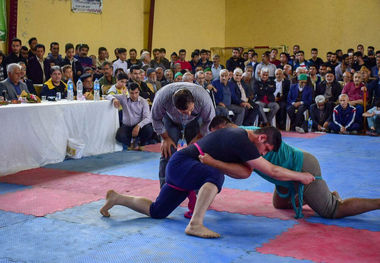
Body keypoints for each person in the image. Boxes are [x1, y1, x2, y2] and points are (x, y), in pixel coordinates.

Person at [100, 126, 315, 238]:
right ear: (261, 138)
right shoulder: (244, 141)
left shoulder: (241, 136)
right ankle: (195, 224)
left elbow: (245, 172)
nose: (264, 154)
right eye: (266, 149)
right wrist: (301, 176)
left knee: (158, 211)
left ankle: (117, 197)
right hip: (183, 164)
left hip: (181, 167)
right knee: (215, 174)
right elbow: (273, 171)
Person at [210, 117, 380, 220]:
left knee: (332, 211)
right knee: (279, 204)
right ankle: (321, 195)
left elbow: (252, 172)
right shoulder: (236, 136)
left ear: (228, 127)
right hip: (284, 174)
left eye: (219, 134)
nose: (218, 138)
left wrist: (212, 162)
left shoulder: (247, 139)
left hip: (302, 166)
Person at [151, 82, 215, 188]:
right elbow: (155, 118)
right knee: (167, 151)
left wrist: (199, 137)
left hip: (195, 121)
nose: (189, 113)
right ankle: (165, 188)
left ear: (193, 101)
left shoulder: (203, 98)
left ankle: (198, 189)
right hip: (170, 120)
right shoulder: (162, 97)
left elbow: (210, 120)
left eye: (191, 110)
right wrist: (165, 138)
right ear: (175, 106)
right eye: (184, 112)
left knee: (197, 152)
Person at [109, 82, 153, 150]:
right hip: (127, 126)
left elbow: (148, 117)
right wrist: (114, 99)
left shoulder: (143, 101)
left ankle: (141, 144)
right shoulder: (123, 98)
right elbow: (107, 96)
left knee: (149, 129)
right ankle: (131, 144)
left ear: (139, 92)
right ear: (128, 92)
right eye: (132, 93)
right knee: (119, 136)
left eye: (136, 93)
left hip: (139, 126)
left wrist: (138, 126)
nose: (134, 95)